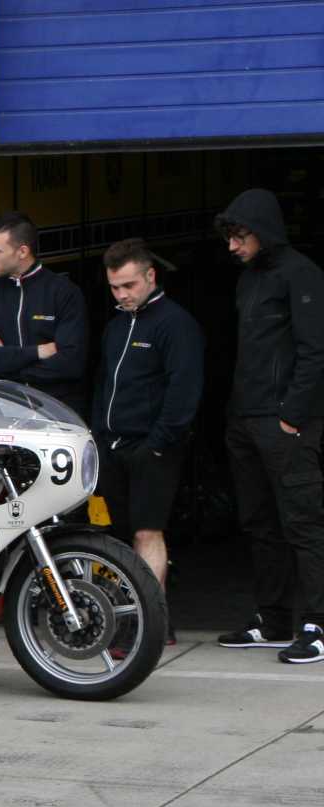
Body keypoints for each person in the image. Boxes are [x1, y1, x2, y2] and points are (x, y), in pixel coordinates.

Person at [213, 189, 324, 662]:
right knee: (260, 523)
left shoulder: (303, 274)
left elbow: (315, 351)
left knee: (303, 522)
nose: (233, 247)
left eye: (239, 236)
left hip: (286, 424)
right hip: (246, 419)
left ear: (262, 230)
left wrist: (291, 417)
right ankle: (274, 619)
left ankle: (318, 626)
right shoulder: (248, 281)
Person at [91, 238, 203, 629]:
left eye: (129, 286)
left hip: (153, 448)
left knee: (147, 532)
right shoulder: (117, 325)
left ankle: (151, 624)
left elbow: (183, 390)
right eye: (115, 287)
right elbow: (104, 383)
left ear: (150, 276)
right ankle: (122, 618)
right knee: (113, 537)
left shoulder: (176, 324)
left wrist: (157, 444)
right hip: (111, 445)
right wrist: (98, 434)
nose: (121, 295)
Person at [0, 210, 89, 417]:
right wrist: (37, 352)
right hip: (4, 417)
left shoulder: (64, 292)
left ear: (22, 252)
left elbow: (71, 364)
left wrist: (5, 364)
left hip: (58, 415)